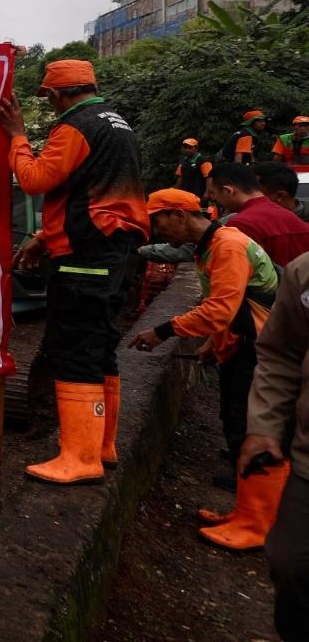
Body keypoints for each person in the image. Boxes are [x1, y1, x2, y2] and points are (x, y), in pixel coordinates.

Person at [0, 59, 148, 484]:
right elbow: (95, 194)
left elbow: (34, 179)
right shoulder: (118, 123)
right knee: (98, 346)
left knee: (75, 347)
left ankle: (80, 458)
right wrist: (47, 235)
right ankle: (101, 445)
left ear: (54, 94)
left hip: (87, 255)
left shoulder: (76, 126)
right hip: (114, 250)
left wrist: (18, 136)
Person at [128, 190, 281, 549]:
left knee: (252, 430)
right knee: (236, 426)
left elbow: (219, 310)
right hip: (244, 346)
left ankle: (258, 525)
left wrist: (162, 331)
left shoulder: (226, 246)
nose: (157, 231)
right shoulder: (212, 246)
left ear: (179, 216)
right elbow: (231, 303)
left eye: (158, 221)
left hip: (258, 352)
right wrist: (214, 344)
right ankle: (247, 512)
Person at [241, 252, 309, 635]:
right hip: (306, 456)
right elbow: (281, 355)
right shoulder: (304, 272)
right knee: (290, 562)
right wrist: (264, 426)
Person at [208, 162, 309, 268]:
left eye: (214, 193)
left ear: (227, 191)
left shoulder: (240, 224)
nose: (214, 199)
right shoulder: (290, 217)